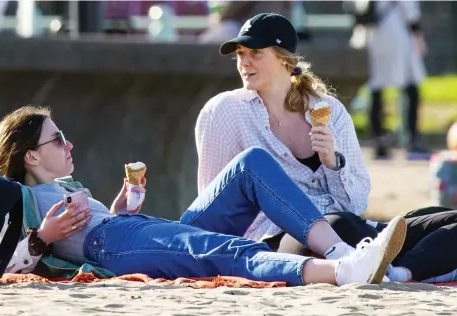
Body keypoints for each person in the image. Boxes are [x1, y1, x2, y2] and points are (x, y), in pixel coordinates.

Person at [0, 104, 408, 286]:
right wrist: (42, 238)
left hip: (128, 232)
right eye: (58, 140)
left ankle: (336, 251)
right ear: (32, 157)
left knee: (252, 163)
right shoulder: (16, 198)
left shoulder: (67, 187)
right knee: (225, 250)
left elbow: (99, 223)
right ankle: (341, 272)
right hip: (112, 245)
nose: (69, 144)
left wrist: (120, 206)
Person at [194, 13, 457, 283]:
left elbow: (355, 204)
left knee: (442, 218)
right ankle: (403, 264)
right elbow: (215, 200)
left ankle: (399, 272)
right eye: (240, 53)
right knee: (338, 225)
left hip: (350, 226)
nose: (244, 62)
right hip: (278, 238)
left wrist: (332, 163)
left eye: (255, 53)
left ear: (284, 59)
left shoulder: (329, 110)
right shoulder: (224, 112)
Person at [363, 0, 429, 160]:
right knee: (410, 86)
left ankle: (378, 141)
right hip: (397, 32)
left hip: (372, 34)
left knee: (376, 87)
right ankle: (412, 140)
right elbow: (411, 13)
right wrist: (419, 39)